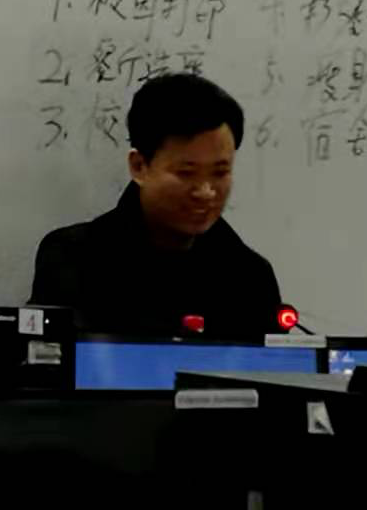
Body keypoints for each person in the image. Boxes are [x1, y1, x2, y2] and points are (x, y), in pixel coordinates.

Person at [30, 73, 281, 337]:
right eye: (186, 173)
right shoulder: (74, 258)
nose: (206, 192)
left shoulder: (249, 276)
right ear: (139, 166)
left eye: (220, 172)